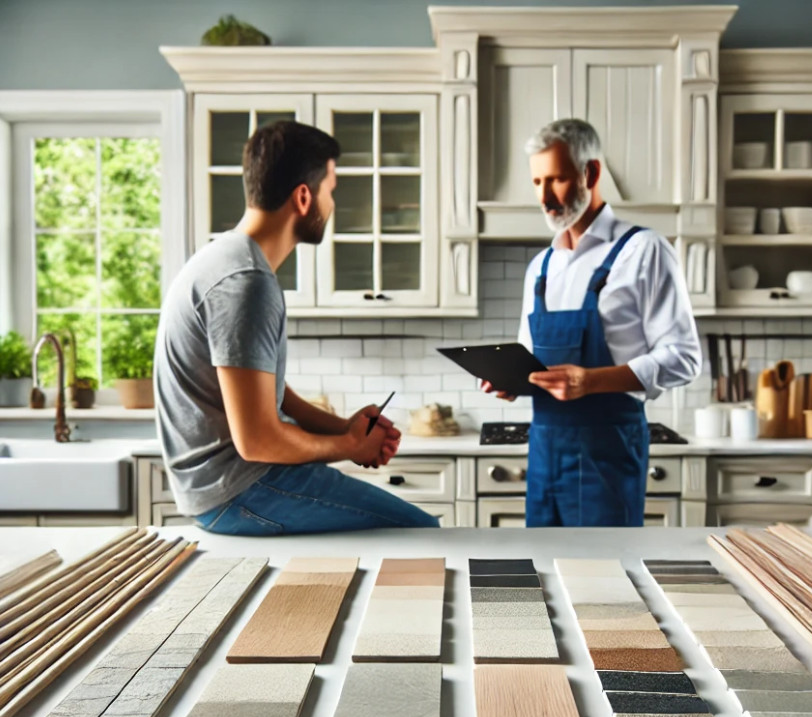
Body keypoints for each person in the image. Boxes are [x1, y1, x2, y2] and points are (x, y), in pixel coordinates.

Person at [154, 120, 438, 535]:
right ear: (304, 197)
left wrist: (343, 428)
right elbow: (258, 441)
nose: (333, 203)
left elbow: (267, 393)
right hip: (241, 490)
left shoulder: (227, 260)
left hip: (224, 488)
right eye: (331, 190)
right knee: (421, 533)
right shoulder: (246, 283)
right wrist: (349, 447)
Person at [481, 118, 702, 527]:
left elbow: (684, 359)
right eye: (536, 182)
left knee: (604, 583)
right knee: (539, 575)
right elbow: (530, 358)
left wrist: (591, 381)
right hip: (544, 451)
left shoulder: (643, 250)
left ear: (591, 173)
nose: (545, 197)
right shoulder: (540, 267)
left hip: (608, 454)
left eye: (557, 180)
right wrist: (509, 381)